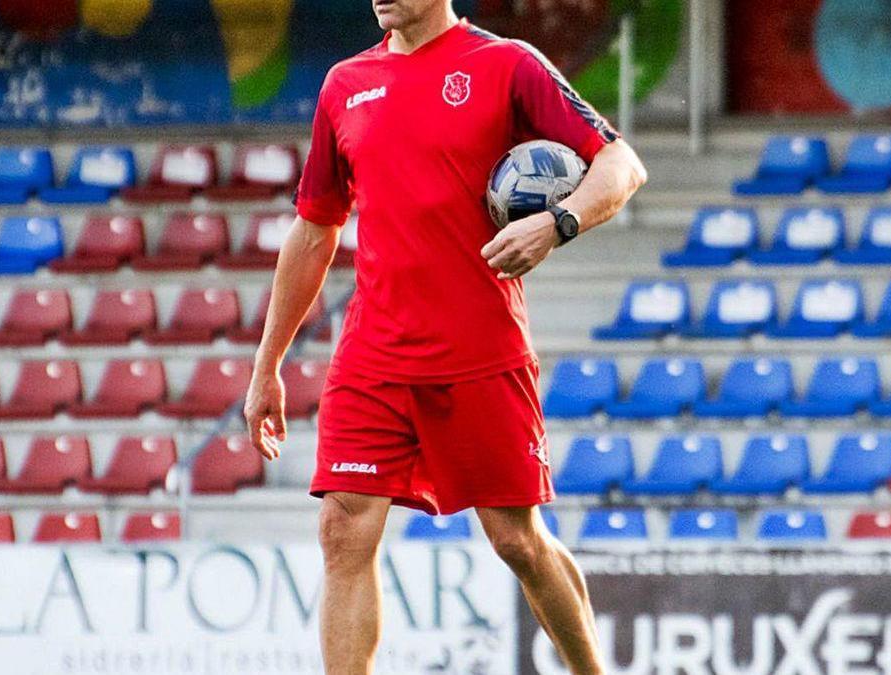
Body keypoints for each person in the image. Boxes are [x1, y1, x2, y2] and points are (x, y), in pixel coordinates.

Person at [243, 0, 646, 671]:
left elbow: (622, 165)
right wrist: (268, 365)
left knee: (517, 541)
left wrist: (559, 222)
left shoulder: (507, 64)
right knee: (343, 530)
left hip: (480, 349)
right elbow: (315, 229)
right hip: (373, 352)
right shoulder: (345, 84)